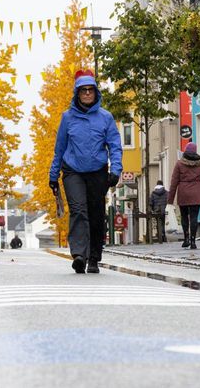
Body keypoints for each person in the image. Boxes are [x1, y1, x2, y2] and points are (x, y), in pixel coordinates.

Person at [49, 69, 123, 274]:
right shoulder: (68, 118)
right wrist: (53, 176)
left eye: (91, 90)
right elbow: (60, 148)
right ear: (77, 93)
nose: (88, 94)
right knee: (79, 210)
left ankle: (94, 258)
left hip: (98, 171)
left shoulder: (105, 118)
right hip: (73, 170)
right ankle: (79, 255)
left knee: (96, 213)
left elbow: (115, 146)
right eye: (84, 91)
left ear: (96, 93)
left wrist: (115, 170)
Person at [168, 142, 200, 250]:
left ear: (185, 151)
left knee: (184, 217)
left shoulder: (179, 164)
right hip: (197, 193)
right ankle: (193, 241)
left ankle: (186, 239)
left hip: (183, 193)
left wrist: (170, 199)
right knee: (194, 217)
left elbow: (174, 182)